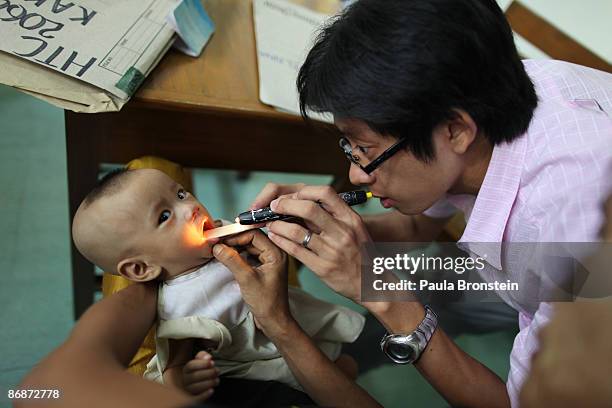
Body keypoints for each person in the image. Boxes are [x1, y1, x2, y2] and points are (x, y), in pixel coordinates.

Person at [234, 0, 612, 406]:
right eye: (351, 147)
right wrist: (320, 229)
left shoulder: (571, 232)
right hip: (526, 279)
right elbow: (417, 227)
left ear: (455, 131)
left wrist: (381, 293)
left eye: (365, 149)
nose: (356, 176)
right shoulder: (486, 92)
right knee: (437, 288)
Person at [71, 168, 364, 395]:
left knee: (346, 360)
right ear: (141, 267)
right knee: (345, 368)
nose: (190, 208)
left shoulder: (221, 236)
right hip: (263, 363)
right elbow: (175, 365)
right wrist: (184, 380)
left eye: (181, 194)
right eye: (164, 216)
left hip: (293, 321)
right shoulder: (183, 306)